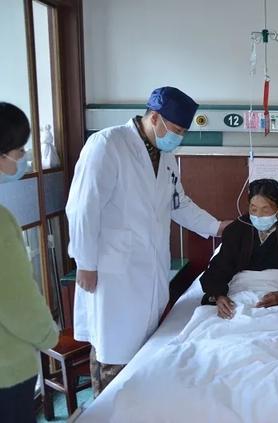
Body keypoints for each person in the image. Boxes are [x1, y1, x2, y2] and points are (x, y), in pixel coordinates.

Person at [66, 87, 232, 396]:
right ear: (154, 117)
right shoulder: (107, 144)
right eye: (176, 129)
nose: (178, 137)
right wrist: (85, 263)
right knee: (113, 350)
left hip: (150, 267)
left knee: (144, 353)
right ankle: (107, 408)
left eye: (182, 132)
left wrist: (217, 227)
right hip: (112, 270)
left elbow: (178, 204)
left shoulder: (166, 157)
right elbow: (83, 208)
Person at [0, 103, 59, 422]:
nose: (24, 158)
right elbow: (15, 298)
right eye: (20, 151)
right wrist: (47, 335)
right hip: (6, 370)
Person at [200, 178, 278, 317]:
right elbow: (220, 267)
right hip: (242, 287)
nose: (258, 215)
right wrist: (219, 296)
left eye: (265, 210)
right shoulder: (237, 229)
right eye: (253, 209)